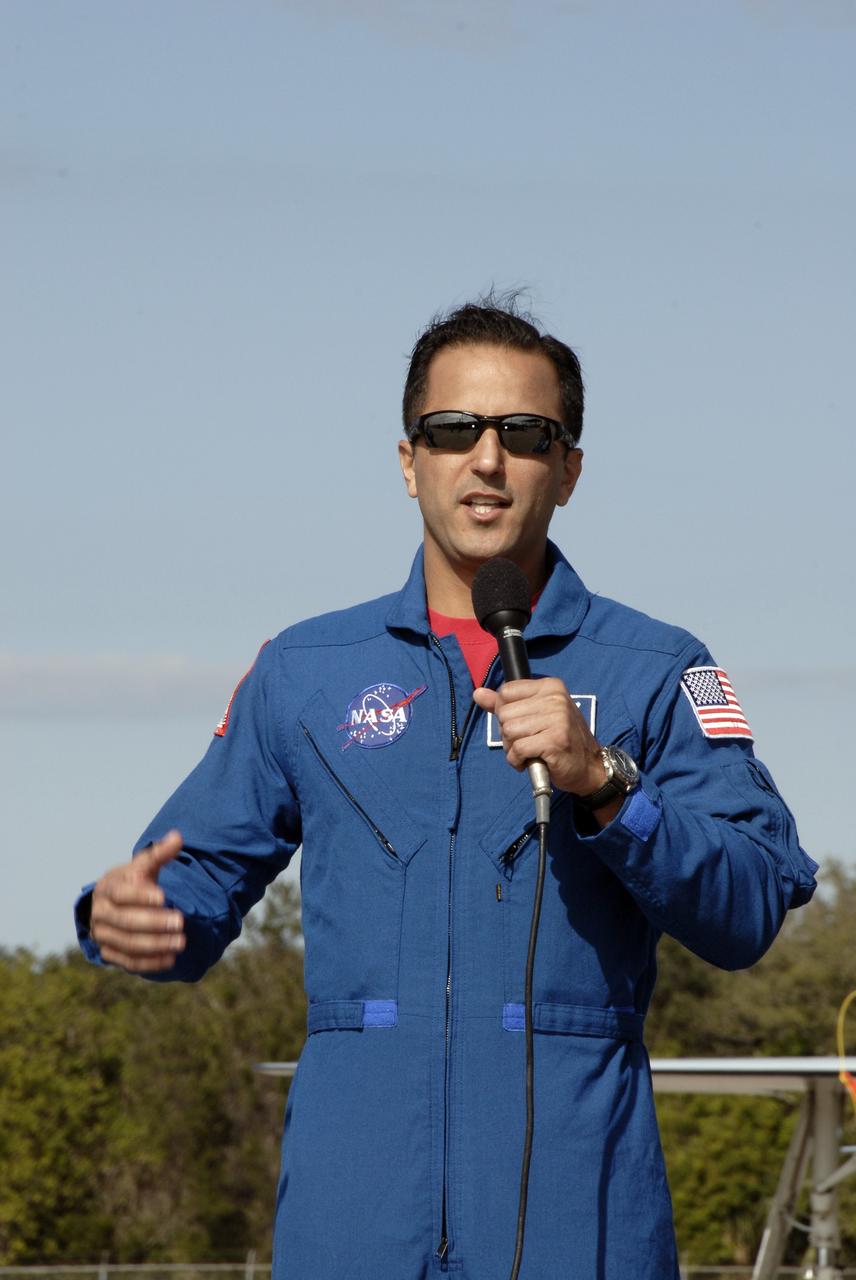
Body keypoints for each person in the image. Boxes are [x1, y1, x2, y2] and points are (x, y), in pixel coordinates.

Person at [75, 298, 817, 1280]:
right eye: (452, 429)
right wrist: (130, 916)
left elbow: (751, 901)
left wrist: (606, 784)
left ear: (570, 467)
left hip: (576, 1209)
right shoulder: (307, 668)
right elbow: (189, 882)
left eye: (524, 432)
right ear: (407, 459)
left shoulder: (655, 665)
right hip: (353, 1209)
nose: (486, 458)